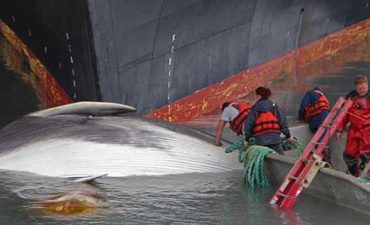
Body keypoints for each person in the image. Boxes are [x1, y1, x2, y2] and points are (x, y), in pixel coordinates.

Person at [337, 75, 370, 176]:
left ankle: (368, 177)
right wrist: (339, 130)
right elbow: (344, 116)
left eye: (364, 88)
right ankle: (354, 175)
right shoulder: (352, 99)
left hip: (367, 131)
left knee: (366, 155)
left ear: (367, 86)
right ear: (356, 88)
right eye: (360, 88)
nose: (362, 90)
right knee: (348, 155)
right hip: (353, 131)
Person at [243, 87, 293, 154]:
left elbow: (248, 125)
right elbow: (282, 122)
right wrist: (288, 136)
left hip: (261, 140)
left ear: (259, 96)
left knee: (263, 160)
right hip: (275, 139)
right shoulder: (274, 107)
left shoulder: (254, 109)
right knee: (279, 158)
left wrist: (247, 139)